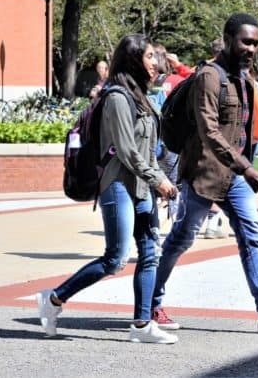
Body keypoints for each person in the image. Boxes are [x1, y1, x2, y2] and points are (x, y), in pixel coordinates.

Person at [151, 13, 258, 334]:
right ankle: (150, 302)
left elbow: (242, 132)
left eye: (255, 43)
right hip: (203, 175)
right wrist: (247, 167)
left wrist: (245, 167)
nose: (251, 48)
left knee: (251, 237)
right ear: (227, 39)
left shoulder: (244, 79)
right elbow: (209, 130)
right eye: (245, 41)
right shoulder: (209, 77)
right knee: (180, 240)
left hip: (234, 178)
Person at [36, 34, 179, 344]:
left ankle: (142, 325)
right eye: (150, 56)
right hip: (116, 185)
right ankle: (53, 299)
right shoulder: (116, 97)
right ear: (133, 60)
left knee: (150, 252)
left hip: (141, 185)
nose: (157, 62)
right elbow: (127, 151)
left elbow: (148, 149)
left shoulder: (142, 95)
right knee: (115, 258)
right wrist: (159, 180)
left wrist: (159, 181)